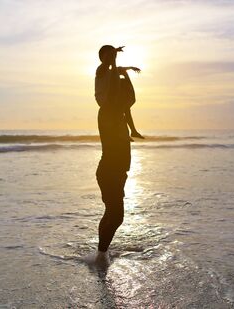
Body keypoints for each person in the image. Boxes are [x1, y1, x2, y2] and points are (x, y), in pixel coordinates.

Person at [85, 44, 141, 268]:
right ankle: (101, 254)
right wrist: (114, 59)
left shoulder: (118, 114)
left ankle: (101, 254)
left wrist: (125, 72)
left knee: (114, 214)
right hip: (108, 172)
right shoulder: (106, 110)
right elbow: (117, 94)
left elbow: (128, 102)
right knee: (116, 215)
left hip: (118, 172)